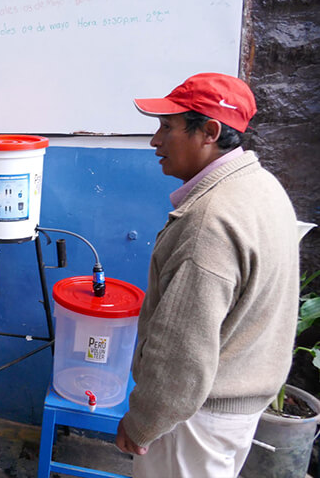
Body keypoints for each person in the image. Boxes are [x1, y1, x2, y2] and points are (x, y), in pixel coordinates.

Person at [114, 72, 299, 477]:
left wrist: (143, 422)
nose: (154, 141)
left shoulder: (208, 223)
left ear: (209, 132)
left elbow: (181, 353)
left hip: (193, 423)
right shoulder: (262, 188)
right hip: (235, 405)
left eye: (167, 127)